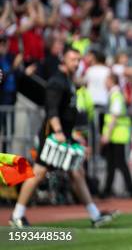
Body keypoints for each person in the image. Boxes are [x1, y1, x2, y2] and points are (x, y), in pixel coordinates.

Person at [9, 48, 115, 228]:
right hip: (52, 136)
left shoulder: (68, 81)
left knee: (76, 172)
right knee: (38, 174)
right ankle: (17, 215)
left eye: (77, 59)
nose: (76, 63)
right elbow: (52, 109)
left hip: (64, 135)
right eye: (72, 59)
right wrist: (58, 132)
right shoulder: (57, 82)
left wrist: (70, 135)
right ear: (63, 60)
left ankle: (95, 215)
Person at [100, 73, 132, 198]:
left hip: (117, 134)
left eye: (106, 80)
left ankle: (131, 189)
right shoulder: (114, 94)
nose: (104, 83)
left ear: (111, 81)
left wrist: (107, 134)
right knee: (112, 163)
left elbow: (114, 116)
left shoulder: (116, 95)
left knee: (119, 163)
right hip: (116, 134)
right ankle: (107, 190)